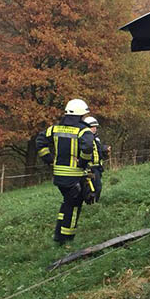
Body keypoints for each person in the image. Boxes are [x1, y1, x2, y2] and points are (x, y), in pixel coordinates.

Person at [35, 98, 95, 245]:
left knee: (67, 203)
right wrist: (83, 162)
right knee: (74, 205)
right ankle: (67, 238)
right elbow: (87, 147)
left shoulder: (54, 129)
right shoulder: (83, 131)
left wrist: (49, 159)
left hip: (59, 176)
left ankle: (59, 234)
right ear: (81, 115)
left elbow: (40, 141)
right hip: (75, 175)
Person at [83, 116, 108, 202]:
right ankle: (91, 204)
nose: (94, 129)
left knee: (98, 187)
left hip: (97, 168)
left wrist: (105, 149)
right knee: (91, 189)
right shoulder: (84, 139)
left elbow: (98, 150)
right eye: (92, 127)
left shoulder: (96, 139)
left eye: (95, 127)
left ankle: (94, 203)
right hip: (89, 169)